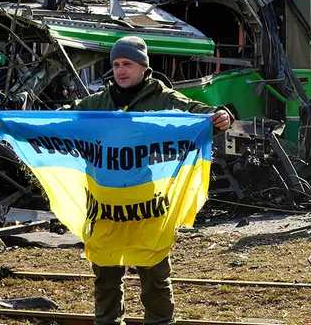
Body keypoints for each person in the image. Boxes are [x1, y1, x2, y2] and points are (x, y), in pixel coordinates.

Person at [68, 36, 233, 325]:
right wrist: (12, 123)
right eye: (116, 64)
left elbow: (198, 115)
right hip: (106, 207)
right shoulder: (97, 103)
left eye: (128, 64)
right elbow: (57, 121)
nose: (121, 70)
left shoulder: (164, 98)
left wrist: (220, 117)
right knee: (105, 281)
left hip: (149, 207)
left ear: (144, 67)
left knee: (155, 281)